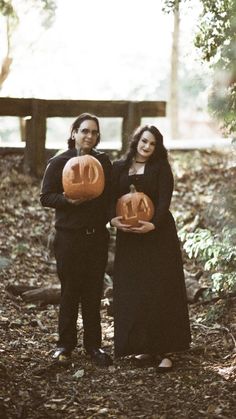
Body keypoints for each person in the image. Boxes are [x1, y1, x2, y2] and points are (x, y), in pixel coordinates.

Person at [110, 124, 191, 371]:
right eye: (144, 141)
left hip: (158, 236)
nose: (147, 147)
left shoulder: (161, 169)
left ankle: (165, 350)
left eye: (152, 143)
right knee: (136, 290)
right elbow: (110, 197)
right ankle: (143, 346)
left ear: (157, 147)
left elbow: (165, 203)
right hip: (130, 238)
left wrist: (152, 225)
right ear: (136, 141)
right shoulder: (120, 168)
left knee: (160, 290)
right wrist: (111, 219)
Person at [40, 113, 113, 367]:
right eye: (84, 131)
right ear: (74, 133)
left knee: (93, 293)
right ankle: (64, 345)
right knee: (70, 292)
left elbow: (111, 198)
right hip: (68, 238)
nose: (89, 136)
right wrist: (67, 201)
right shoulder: (60, 161)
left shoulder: (103, 162)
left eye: (94, 132)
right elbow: (46, 197)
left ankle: (94, 346)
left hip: (96, 238)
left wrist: (107, 217)